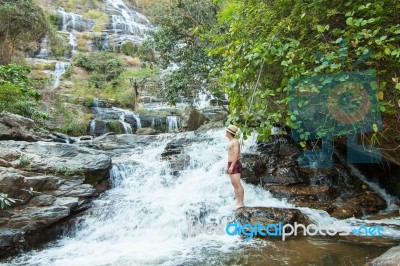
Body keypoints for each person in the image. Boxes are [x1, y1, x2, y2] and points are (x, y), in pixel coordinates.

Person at [225, 125, 245, 209]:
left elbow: (236, 154)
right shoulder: (230, 141)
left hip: (235, 164)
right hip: (231, 163)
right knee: (234, 184)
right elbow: (230, 155)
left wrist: (232, 166)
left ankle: (241, 202)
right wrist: (227, 166)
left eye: (226, 131)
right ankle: (237, 200)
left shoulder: (235, 141)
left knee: (237, 184)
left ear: (229, 132)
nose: (225, 132)